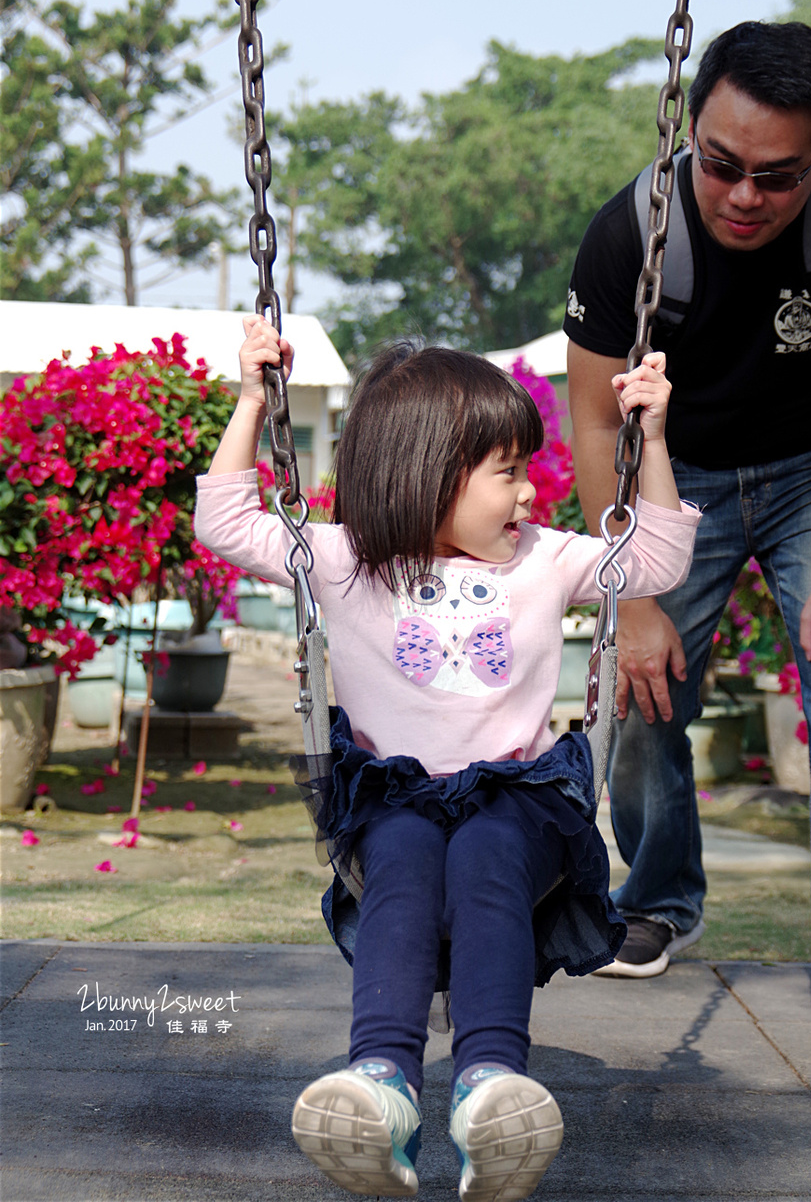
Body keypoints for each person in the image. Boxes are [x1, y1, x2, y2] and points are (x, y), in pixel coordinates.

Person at [196, 317, 699, 1199]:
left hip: (519, 798)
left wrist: (649, 439)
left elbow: (654, 557)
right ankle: (381, 1087)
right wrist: (249, 399)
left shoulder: (544, 560)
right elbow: (227, 521)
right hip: (394, 797)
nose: (528, 493)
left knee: (485, 853)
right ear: (428, 475)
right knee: (398, 856)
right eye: (506, 472)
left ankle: (487, 1085)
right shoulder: (347, 561)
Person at [564, 19, 811, 1059]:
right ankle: (659, 893)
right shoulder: (629, 230)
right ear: (691, 132)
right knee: (641, 693)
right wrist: (631, 595)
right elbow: (595, 423)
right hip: (680, 478)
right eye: (721, 165)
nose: (742, 196)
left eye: (776, 176)